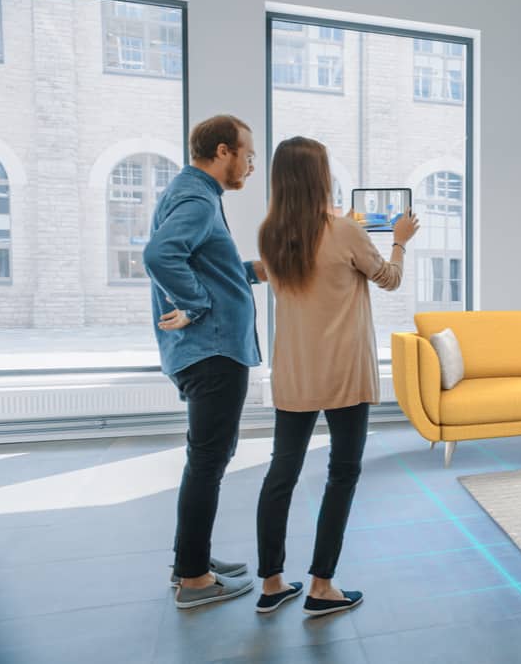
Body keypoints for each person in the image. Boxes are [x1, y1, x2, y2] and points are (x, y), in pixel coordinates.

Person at [254, 136, 419, 616]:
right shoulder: (344, 231)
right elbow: (389, 278)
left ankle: (271, 583)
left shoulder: (270, 233)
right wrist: (399, 242)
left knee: (280, 474)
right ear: (320, 177)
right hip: (344, 372)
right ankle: (321, 585)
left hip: (295, 371)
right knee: (342, 474)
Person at [143, 114, 263, 609]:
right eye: (247, 155)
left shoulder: (192, 192)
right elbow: (160, 255)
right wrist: (194, 305)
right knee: (208, 462)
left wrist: (255, 271)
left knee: (206, 461)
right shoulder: (197, 197)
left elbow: (203, 264)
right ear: (221, 152)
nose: (251, 166)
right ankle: (194, 580)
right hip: (212, 351)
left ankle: (191, 562)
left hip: (206, 350)